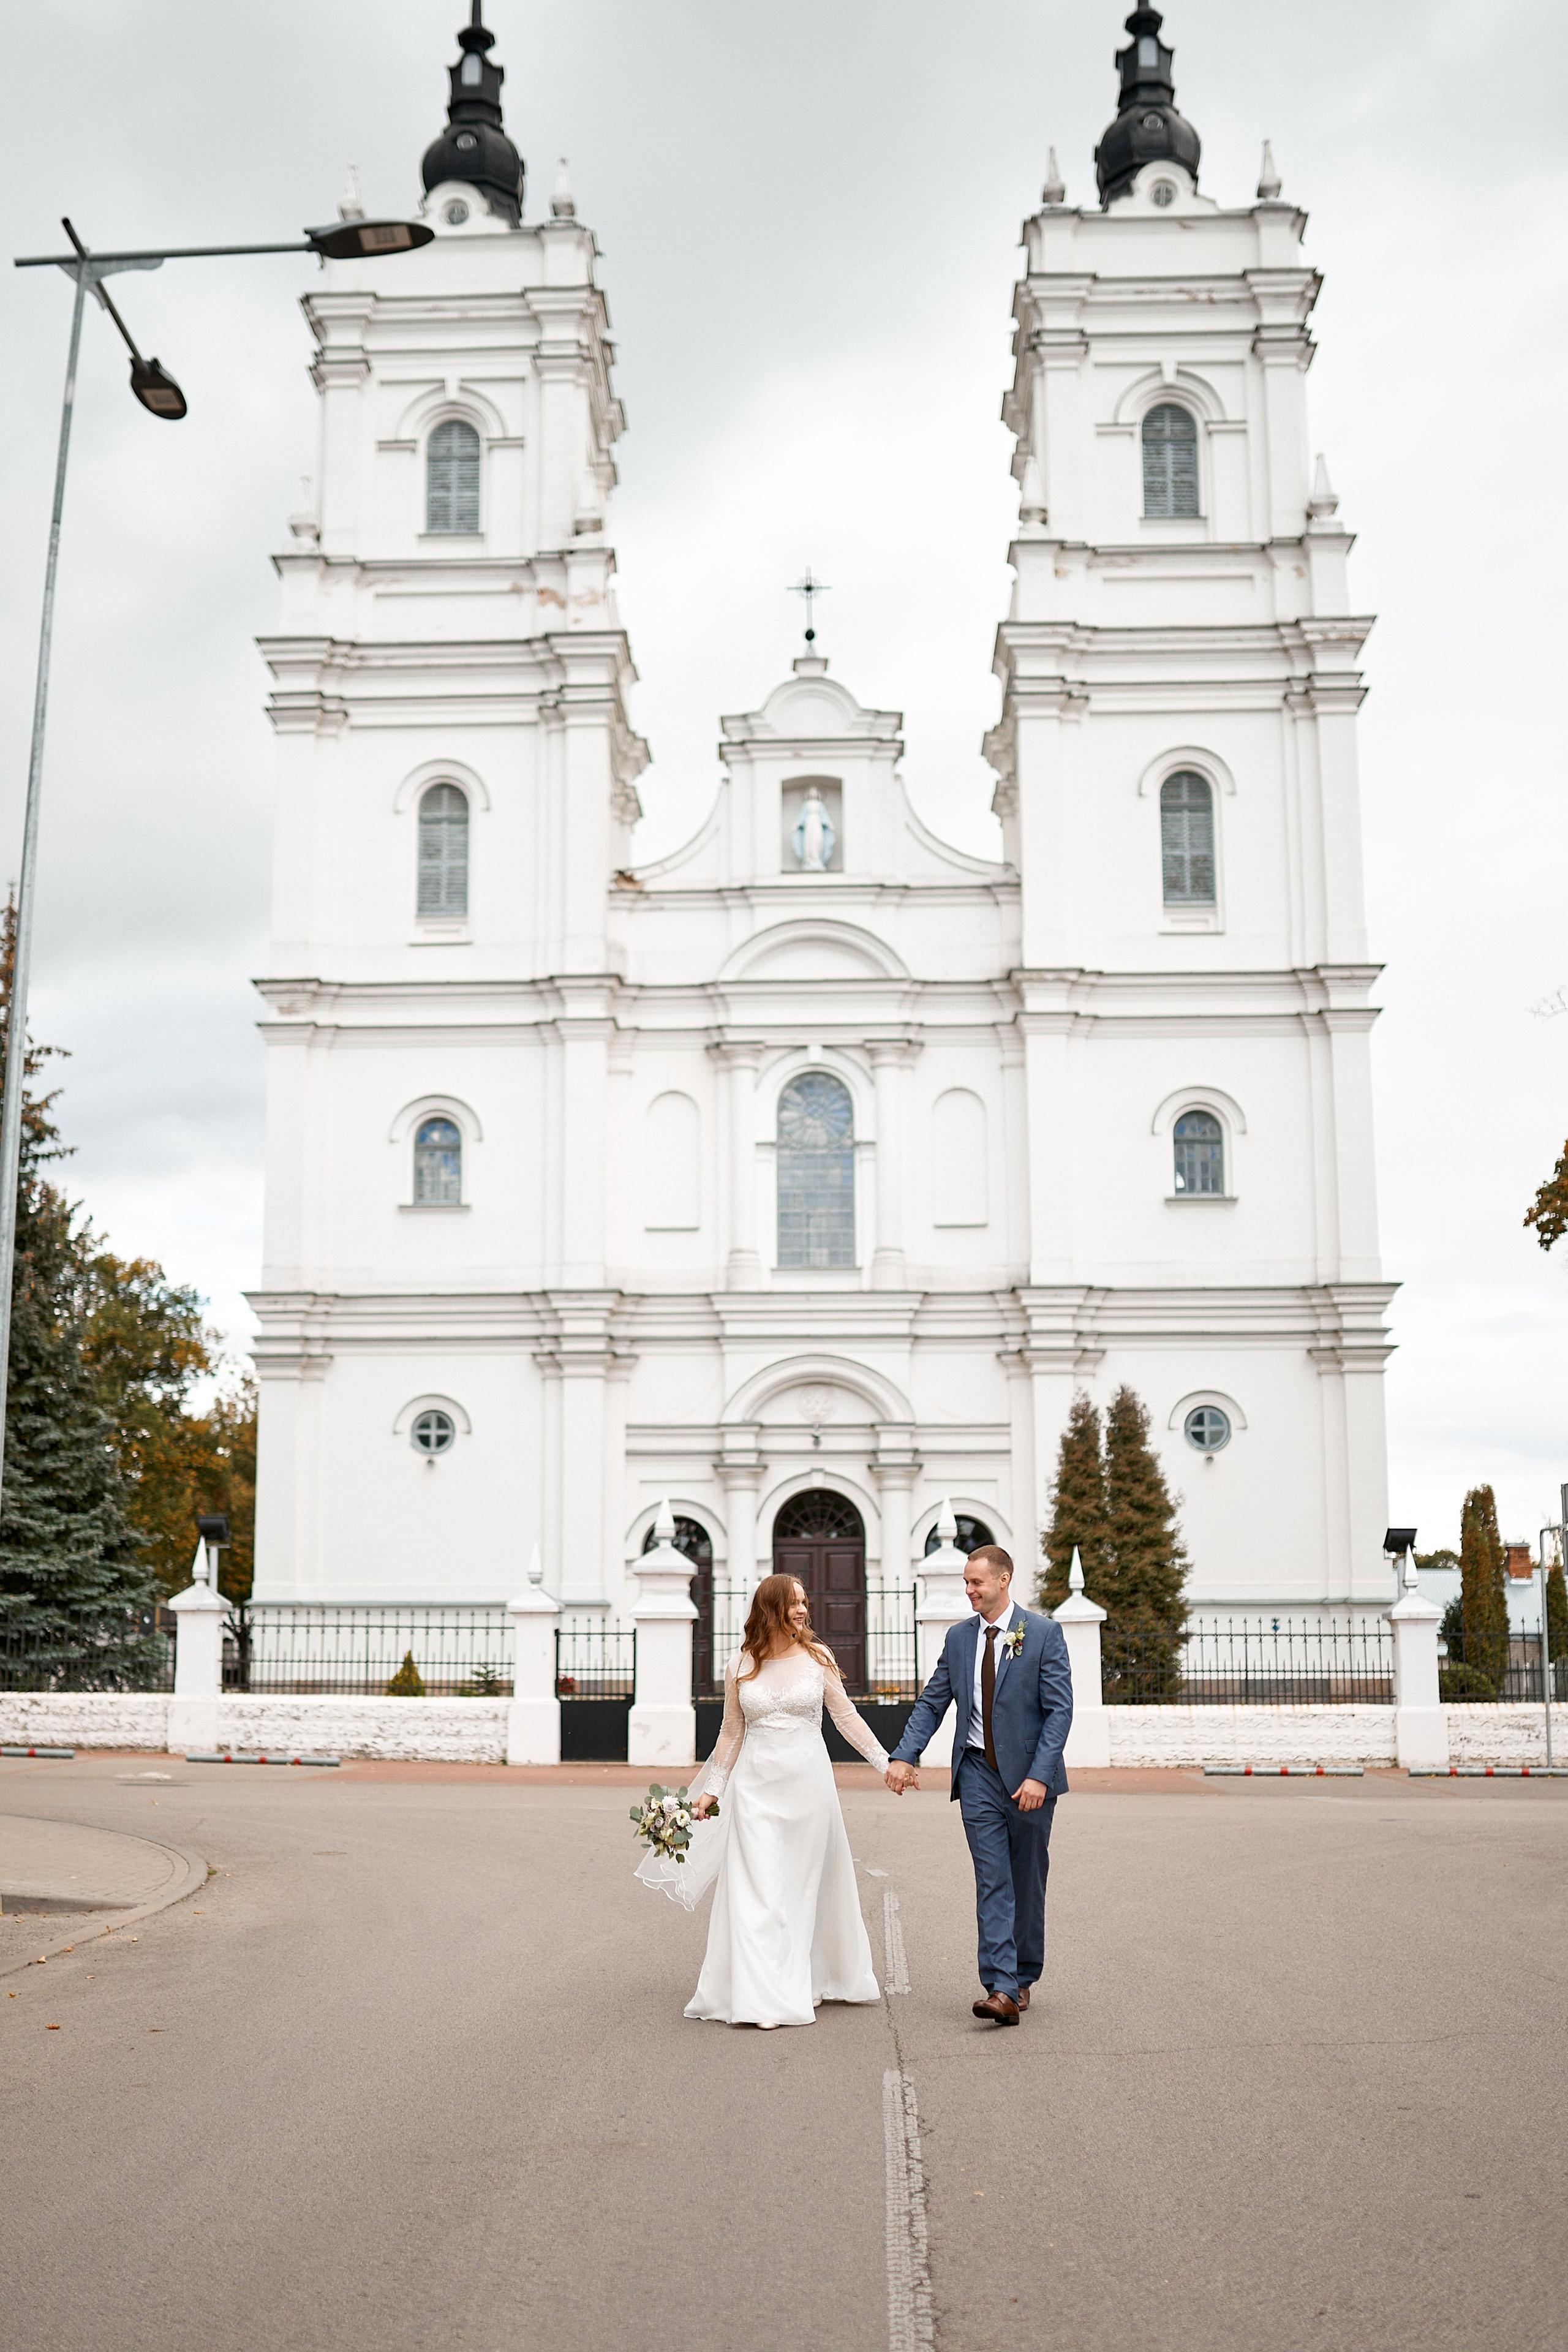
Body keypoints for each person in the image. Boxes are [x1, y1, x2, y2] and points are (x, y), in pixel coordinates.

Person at [636, 1572, 892, 2028]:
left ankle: (807, 1977)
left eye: (804, 1601)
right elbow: (731, 1731)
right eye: (793, 1602)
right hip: (754, 1789)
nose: (802, 1609)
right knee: (759, 1889)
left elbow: (846, 1718)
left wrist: (886, 1764)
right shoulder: (740, 1664)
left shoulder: (818, 1658)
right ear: (770, 1608)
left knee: (801, 1889)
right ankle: (761, 1997)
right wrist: (712, 1790)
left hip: (809, 1789)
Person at [884, 1544, 1072, 2026]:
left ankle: (1023, 1975)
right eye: (966, 1582)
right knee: (993, 1879)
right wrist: (905, 1754)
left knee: (1026, 1880)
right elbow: (933, 1702)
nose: (969, 1590)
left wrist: (1039, 1775)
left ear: (1003, 1580)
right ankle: (1001, 1988)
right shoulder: (959, 1638)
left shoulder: (1043, 1634)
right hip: (976, 1774)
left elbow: (1059, 1712)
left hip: (1029, 1778)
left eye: (976, 1582)